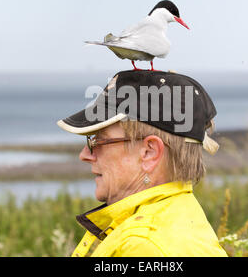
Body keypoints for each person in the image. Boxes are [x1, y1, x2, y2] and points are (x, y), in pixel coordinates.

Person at [57, 69, 227, 257]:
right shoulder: (184, 217)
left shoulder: (142, 246)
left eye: (99, 141)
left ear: (149, 152)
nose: (85, 155)